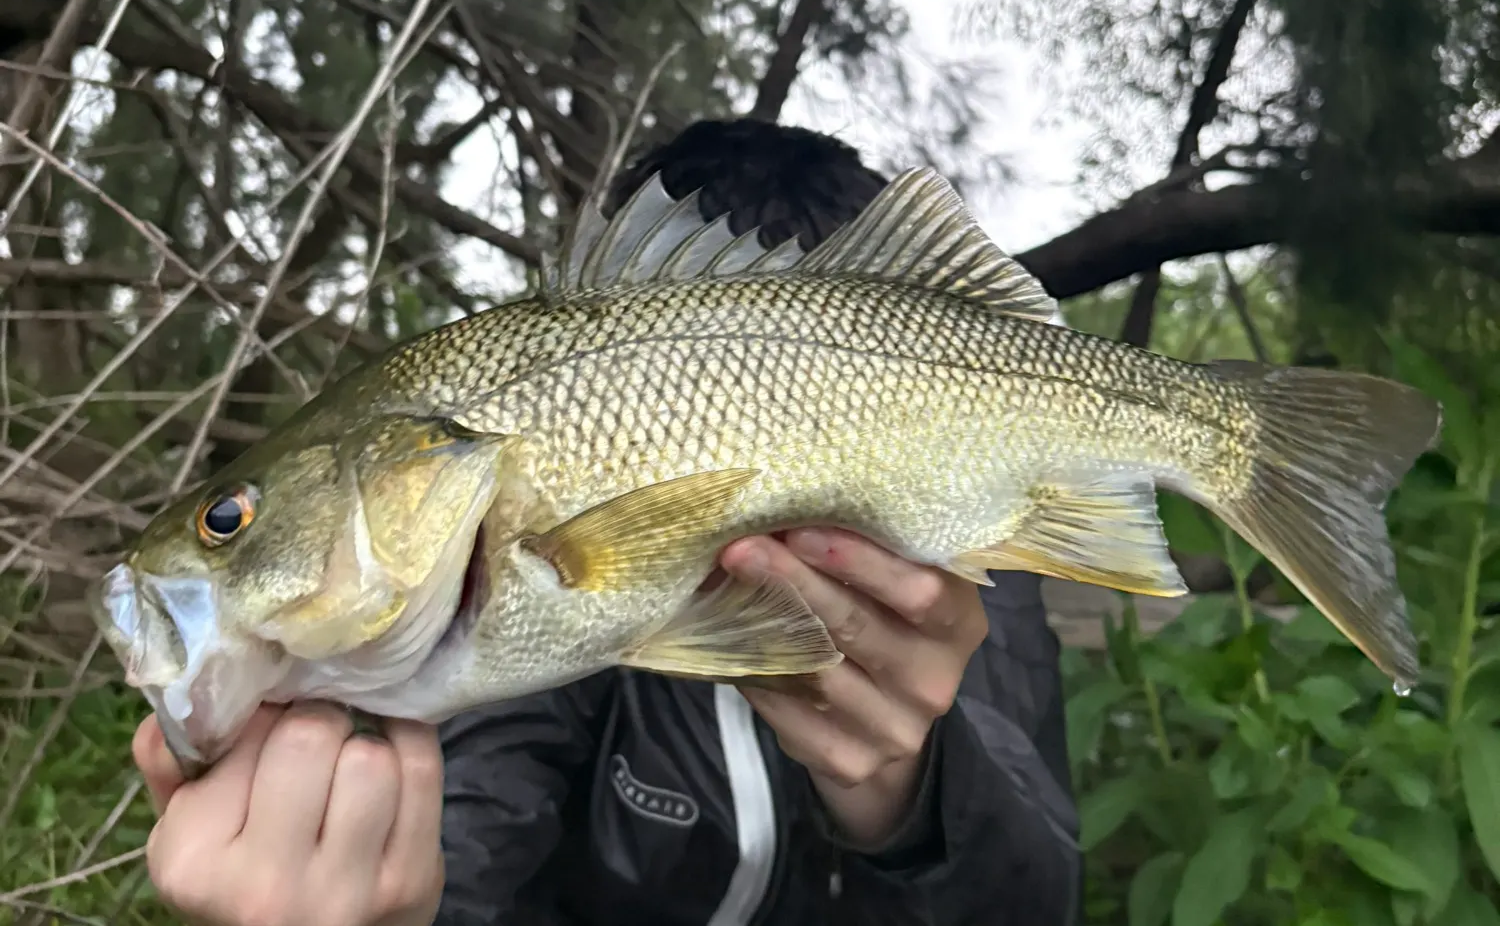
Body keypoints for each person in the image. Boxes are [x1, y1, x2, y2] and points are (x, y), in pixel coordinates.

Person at [135, 119, 1081, 926]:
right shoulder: (488, 613)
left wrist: (912, 796)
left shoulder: (970, 568)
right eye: (229, 524)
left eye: (227, 521)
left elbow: (1047, 897)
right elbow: (481, 818)